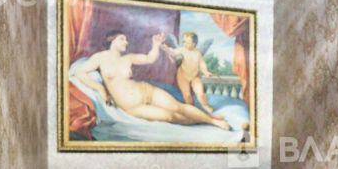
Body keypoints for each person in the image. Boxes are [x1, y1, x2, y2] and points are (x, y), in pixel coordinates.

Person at [78, 31, 232, 130]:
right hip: (133, 106)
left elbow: (149, 58)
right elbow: (80, 73)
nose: (126, 42)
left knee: (178, 107)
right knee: (170, 116)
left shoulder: (128, 58)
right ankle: (206, 119)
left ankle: (213, 121)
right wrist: (101, 89)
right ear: (111, 40)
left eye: (126, 39)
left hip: (147, 90)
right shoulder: (100, 58)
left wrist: (156, 45)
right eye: (122, 39)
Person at [162, 31, 215, 114]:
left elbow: (202, 64)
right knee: (187, 95)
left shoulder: (198, 53)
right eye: (184, 42)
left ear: (194, 44)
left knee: (200, 93)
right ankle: (191, 108)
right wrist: (166, 49)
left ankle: (206, 106)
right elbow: (173, 52)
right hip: (183, 75)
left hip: (194, 76)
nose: (185, 44)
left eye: (188, 42)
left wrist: (206, 72)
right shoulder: (182, 50)